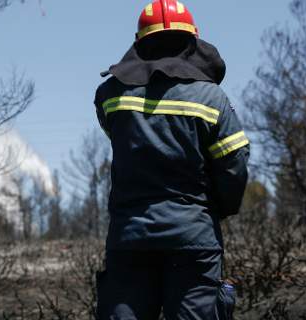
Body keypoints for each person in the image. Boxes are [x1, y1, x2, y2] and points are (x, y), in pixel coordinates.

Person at [93, 1, 250, 319]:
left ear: (139, 41)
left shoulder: (109, 96)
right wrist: (218, 209)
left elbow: (118, 138)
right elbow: (234, 164)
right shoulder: (212, 98)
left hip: (129, 238)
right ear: (193, 41)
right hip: (193, 238)